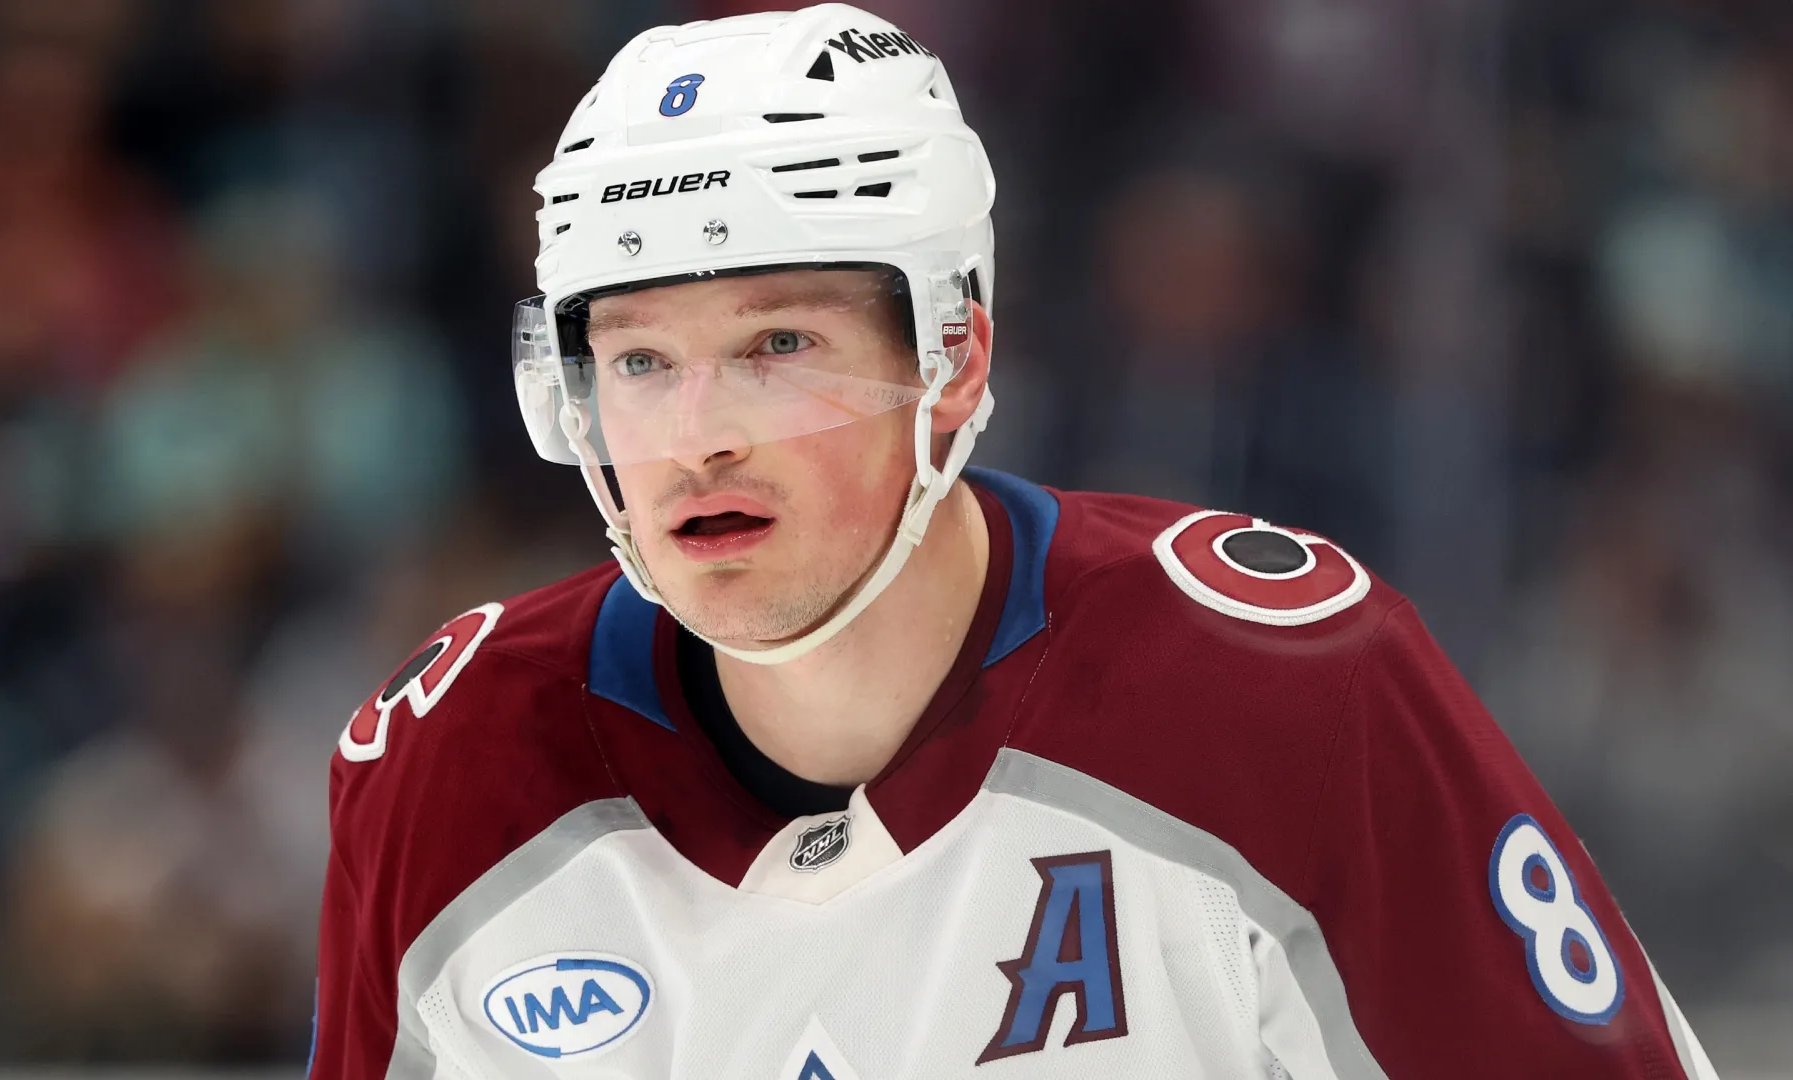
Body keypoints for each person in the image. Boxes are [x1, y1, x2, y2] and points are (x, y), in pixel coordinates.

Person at [310, 5, 1718, 1077]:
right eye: (637, 362)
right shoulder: (451, 765)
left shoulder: (1290, 695)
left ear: (959, 359)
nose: (696, 436)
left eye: (778, 345)